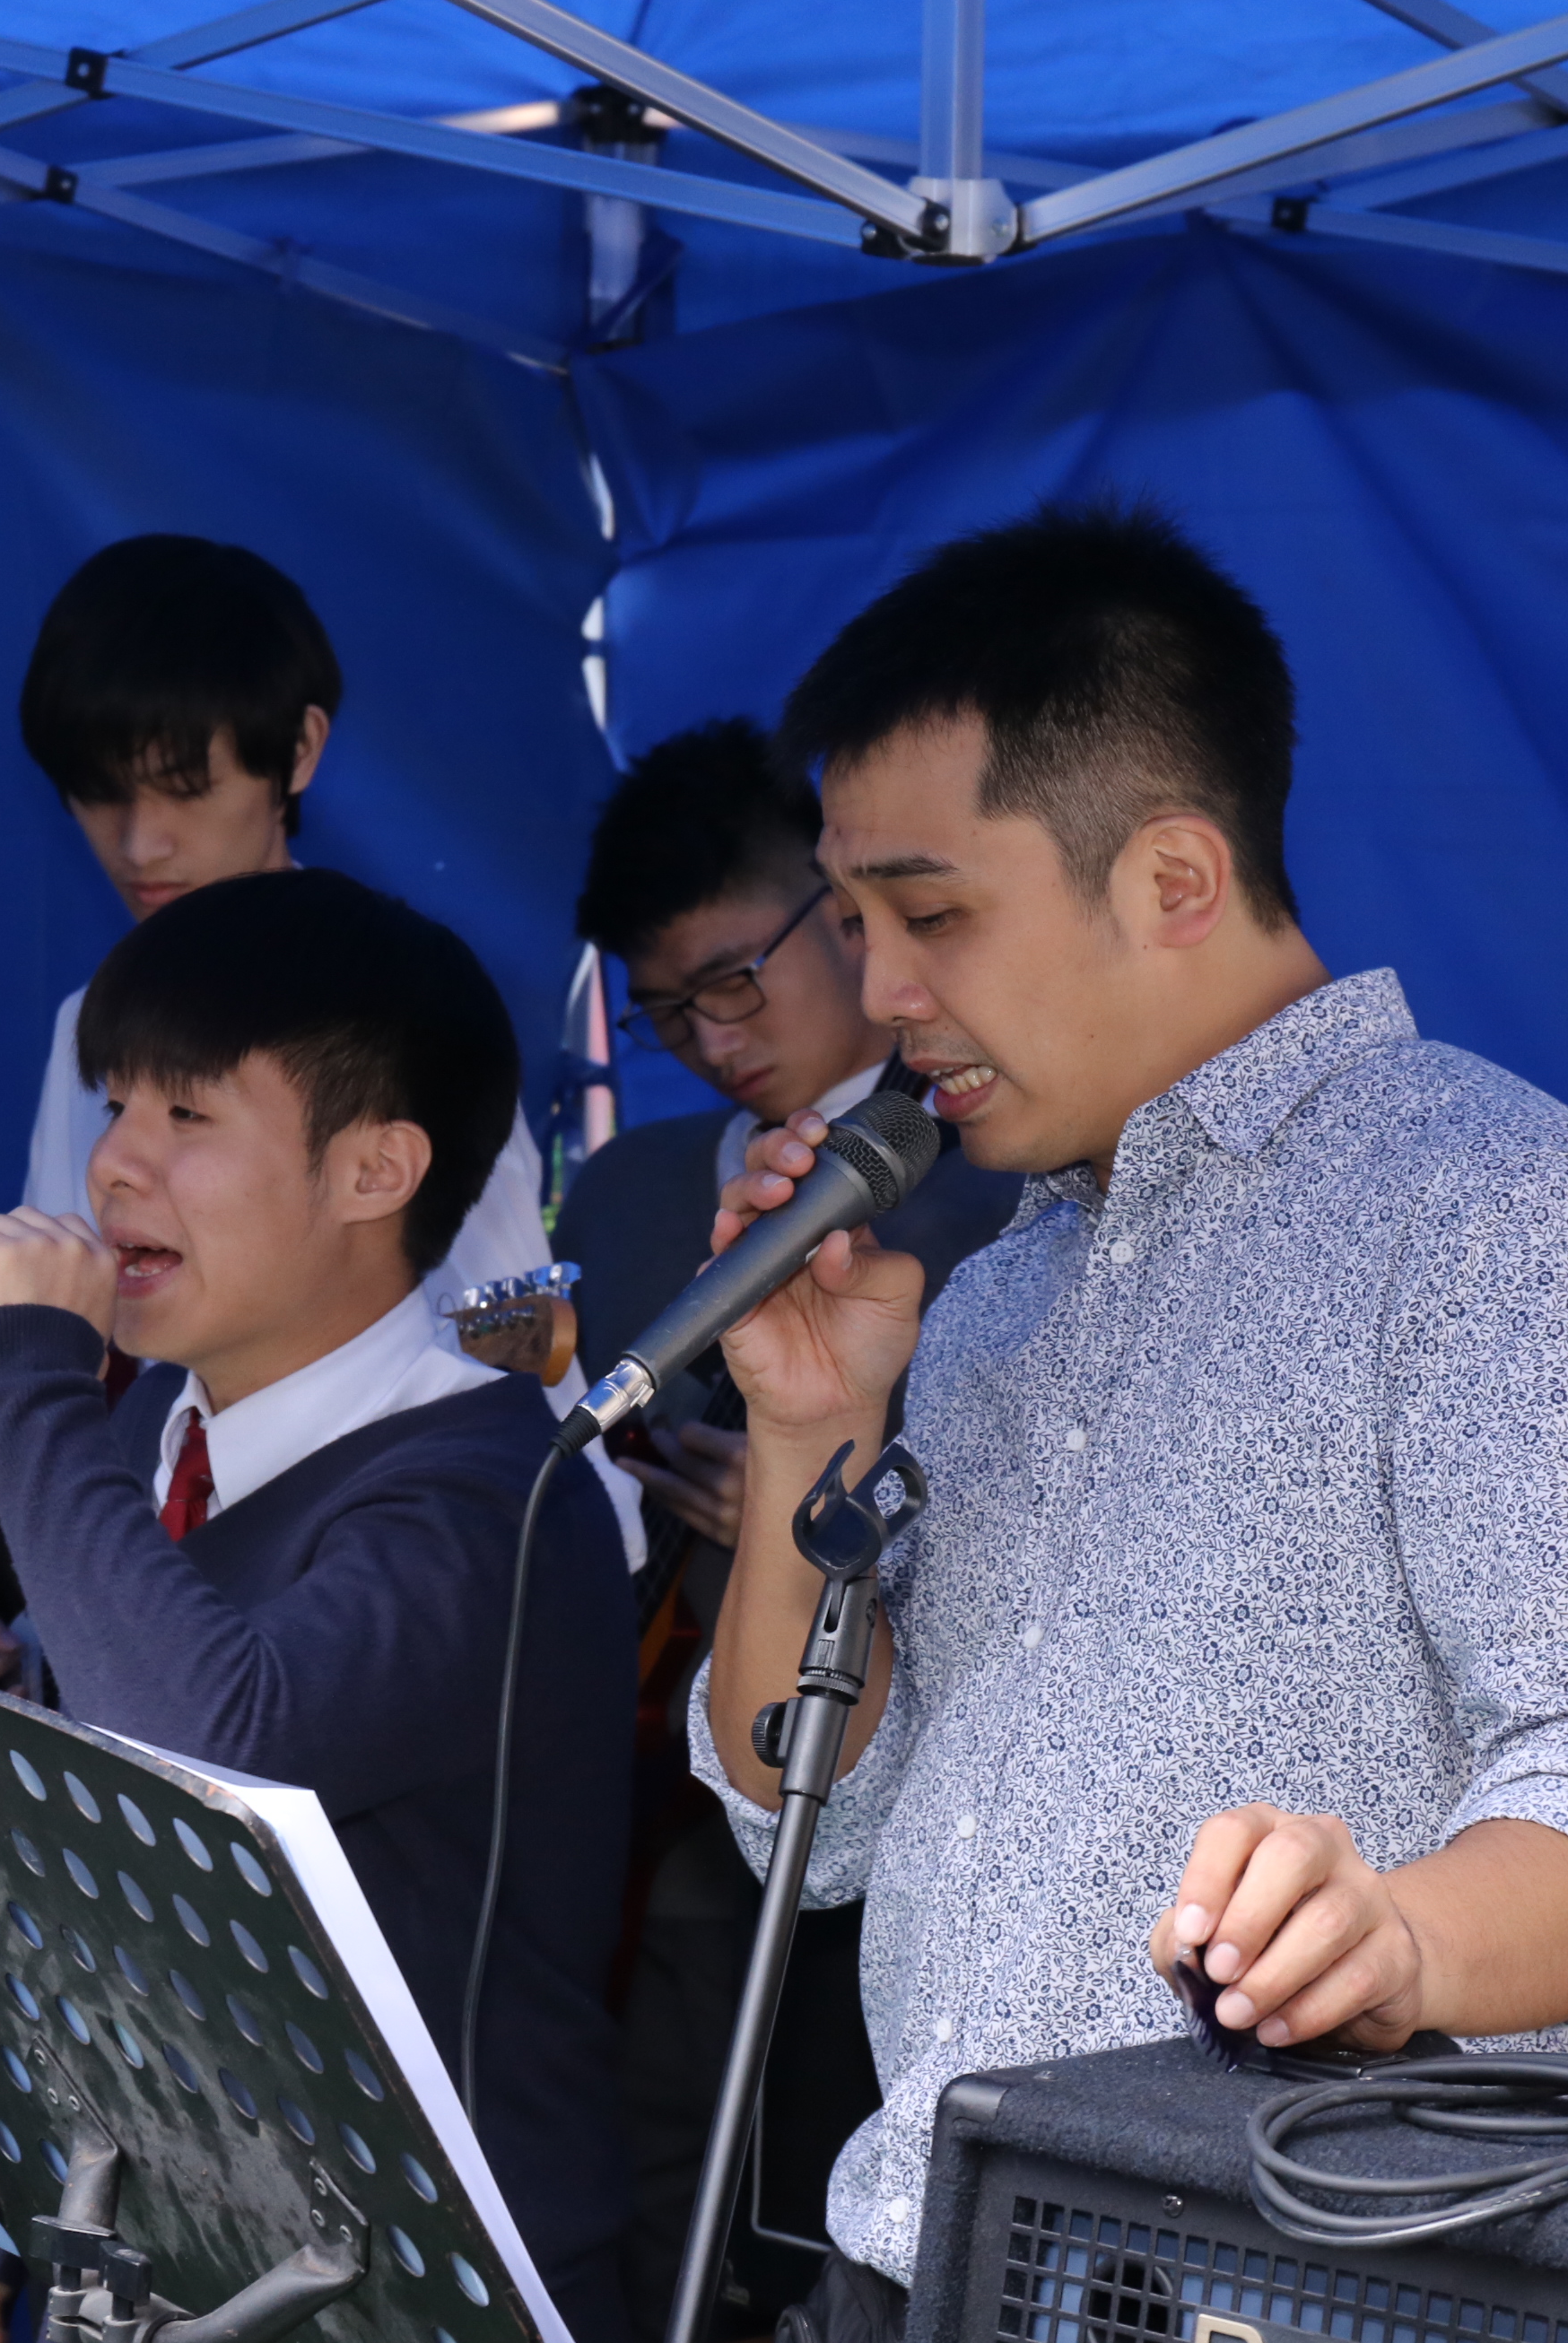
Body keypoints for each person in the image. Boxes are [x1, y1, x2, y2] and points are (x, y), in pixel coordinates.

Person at [694, 501, 1568, 2341]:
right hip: (923, 2251)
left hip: (1292, 2286)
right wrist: (809, 1428)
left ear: (1176, 878)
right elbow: (817, 1822)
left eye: (933, 915)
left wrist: (1402, 1939)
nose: (880, 995)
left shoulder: (1500, 1212)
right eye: (856, 924)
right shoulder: (1000, 1289)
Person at [0, 868, 633, 2343]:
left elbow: (211, 1742)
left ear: (374, 1170)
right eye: (114, 1106)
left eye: (187, 1115)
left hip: (423, 2297)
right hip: (176, 2267)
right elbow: (97, 1907)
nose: (114, 1166)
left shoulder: (490, 1497)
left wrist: (27, 1372)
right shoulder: (146, 1436)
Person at [0, 536, 579, 1694]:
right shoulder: (84, 1024)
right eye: (98, 793)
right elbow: (33, 1323)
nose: (140, 842)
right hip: (139, 1603)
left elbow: (527, 1339)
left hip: (358, 1610)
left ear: (299, 750)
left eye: (184, 788)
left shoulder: (396, 1015)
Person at [554, 719, 1014, 2338]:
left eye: (735, 981)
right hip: (677, 1778)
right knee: (668, 2163)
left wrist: (806, 1493)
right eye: (666, 1011)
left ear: (841, 907)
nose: (711, 1038)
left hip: (915, 1797)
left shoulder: (994, 1170)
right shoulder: (627, 1193)